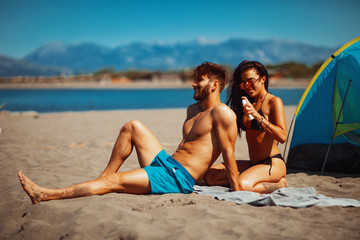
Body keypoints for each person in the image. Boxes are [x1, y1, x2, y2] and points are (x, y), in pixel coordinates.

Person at [18, 62, 240, 204]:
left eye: (199, 79)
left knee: (114, 183)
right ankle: (102, 178)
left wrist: (238, 191)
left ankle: (46, 194)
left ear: (214, 85)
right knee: (132, 126)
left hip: (178, 178)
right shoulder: (193, 110)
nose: (193, 83)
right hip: (167, 163)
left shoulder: (223, 114)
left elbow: (228, 155)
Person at [204, 60, 288, 193]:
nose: (247, 86)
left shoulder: (274, 101)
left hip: (272, 163)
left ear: (263, 79)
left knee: (242, 185)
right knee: (210, 176)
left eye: (251, 81)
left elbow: (282, 136)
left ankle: (280, 185)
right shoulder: (247, 103)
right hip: (253, 163)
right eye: (244, 83)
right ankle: (249, 179)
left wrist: (257, 116)